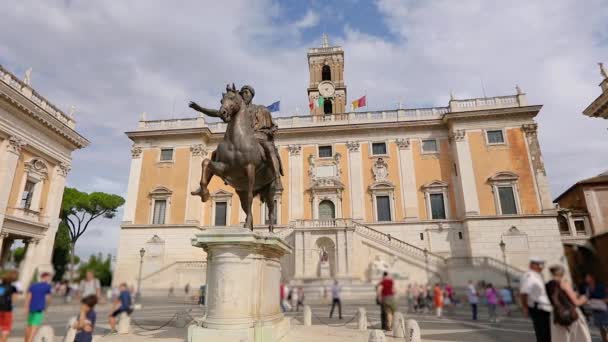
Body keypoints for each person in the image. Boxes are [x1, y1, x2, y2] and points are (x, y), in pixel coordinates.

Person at [189, 85, 283, 193]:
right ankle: (203, 187)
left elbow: (273, 126)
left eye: (247, 92)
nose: (244, 94)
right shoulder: (236, 109)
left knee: (270, 148)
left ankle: (277, 179)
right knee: (215, 154)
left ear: (252, 95)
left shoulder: (260, 109)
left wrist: (268, 132)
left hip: (259, 136)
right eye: (243, 92)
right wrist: (200, 109)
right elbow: (218, 113)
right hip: (243, 138)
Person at [545, 265, 591, 342]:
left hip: (557, 314)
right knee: (578, 337)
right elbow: (576, 302)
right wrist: (585, 297)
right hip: (571, 313)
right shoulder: (564, 284)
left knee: (560, 338)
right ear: (563, 273)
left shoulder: (548, 285)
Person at [520, 257, 552, 342]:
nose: (542, 267)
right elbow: (524, 293)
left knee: (548, 333)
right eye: (539, 265)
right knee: (543, 333)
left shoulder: (538, 276)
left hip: (545, 307)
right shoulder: (529, 276)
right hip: (538, 308)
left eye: (542, 265)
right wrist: (525, 307)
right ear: (532, 265)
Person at [24, 272, 53, 342]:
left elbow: (28, 297)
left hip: (31, 308)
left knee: (29, 326)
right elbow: (48, 298)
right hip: (39, 308)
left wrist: (26, 307)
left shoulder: (33, 285)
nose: (49, 279)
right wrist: (47, 306)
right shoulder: (47, 286)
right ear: (45, 277)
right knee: (34, 327)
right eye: (49, 277)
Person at [584, 274, 607, 342]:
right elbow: (587, 297)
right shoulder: (587, 288)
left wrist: (603, 300)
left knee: (606, 327)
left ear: (592, 277)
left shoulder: (601, 285)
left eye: (587, 277)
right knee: (601, 328)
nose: (586, 279)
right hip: (595, 310)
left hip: (604, 309)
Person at [0, 270, 19, 342]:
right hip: (7, 310)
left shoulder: (0, 286)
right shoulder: (13, 287)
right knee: (6, 328)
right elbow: (14, 299)